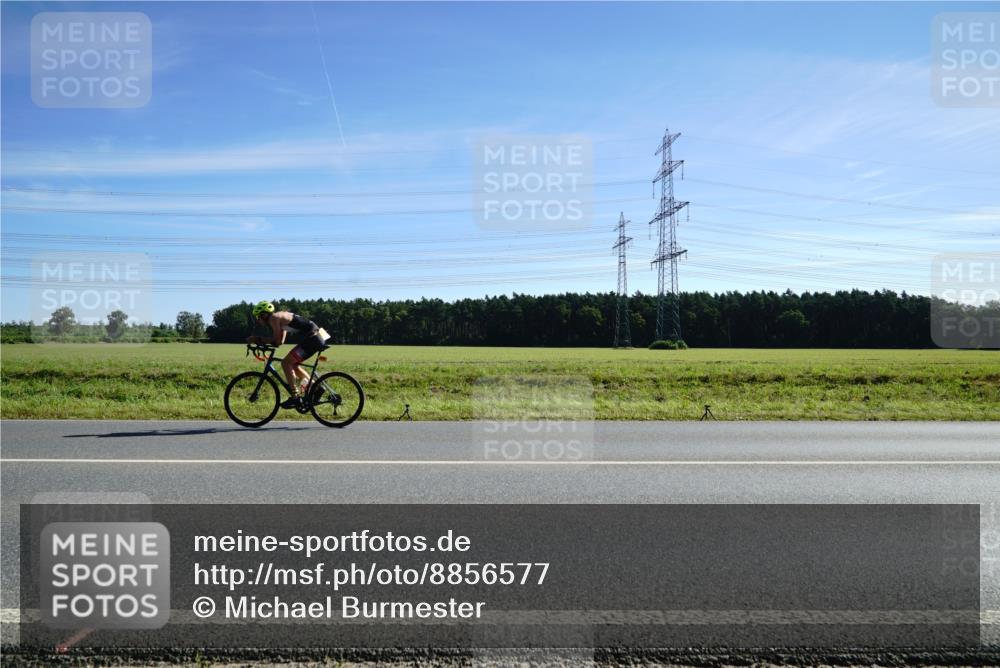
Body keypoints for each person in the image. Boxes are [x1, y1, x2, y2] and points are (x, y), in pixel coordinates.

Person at [247, 301, 330, 408]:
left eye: (258, 317)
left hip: (313, 338)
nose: (257, 320)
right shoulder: (279, 318)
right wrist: (262, 342)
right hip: (316, 337)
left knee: (286, 363)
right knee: (293, 365)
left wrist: (257, 339)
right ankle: (316, 388)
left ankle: (295, 397)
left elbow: (276, 341)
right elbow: (280, 342)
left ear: (264, 314)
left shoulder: (274, 318)